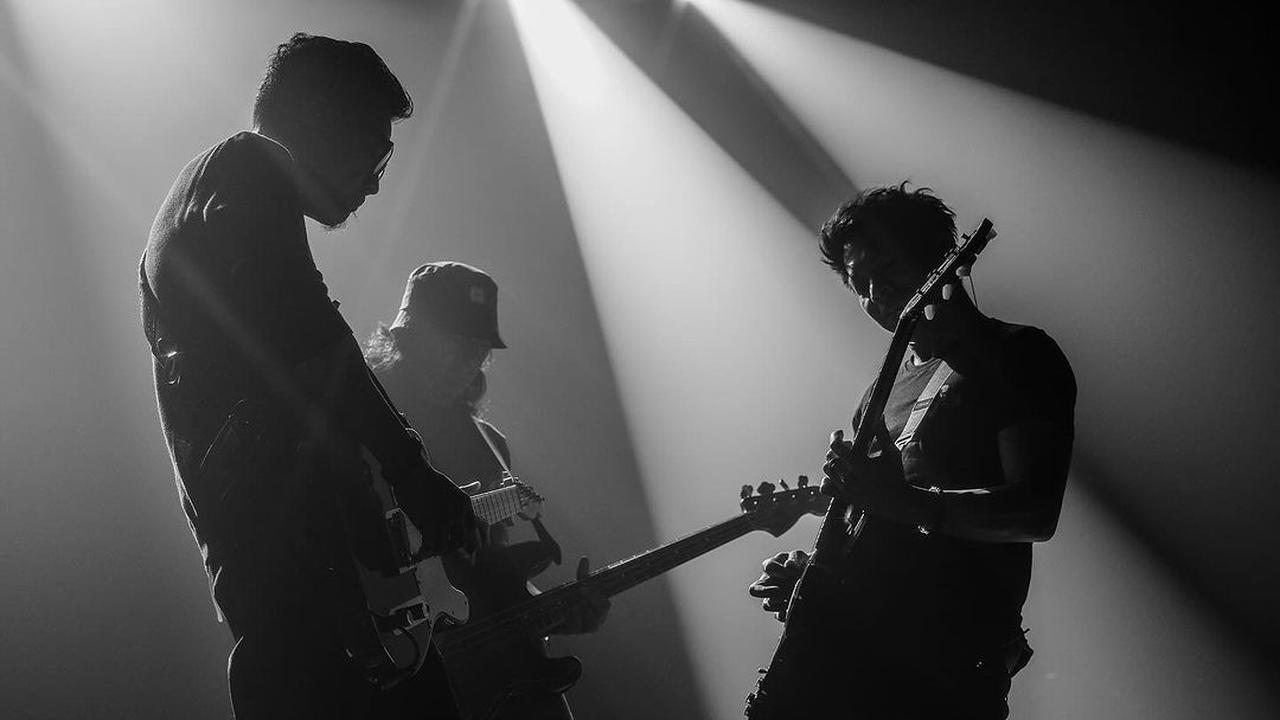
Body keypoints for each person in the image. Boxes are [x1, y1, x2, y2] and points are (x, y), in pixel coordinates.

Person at [140, 34, 484, 719]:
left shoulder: (210, 192)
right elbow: (314, 336)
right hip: (303, 589)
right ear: (324, 122)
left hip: (312, 585)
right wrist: (412, 473)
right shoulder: (250, 166)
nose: (376, 179)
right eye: (374, 151)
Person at [748, 183, 1075, 718]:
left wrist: (906, 503)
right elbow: (876, 535)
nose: (877, 293)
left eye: (887, 267)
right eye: (860, 283)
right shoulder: (878, 398)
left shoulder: (1017, 353)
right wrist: (812, 579)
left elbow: (1034, 512)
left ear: (943, 259)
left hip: (945, 676)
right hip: (850, 672)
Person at [366, 261, 610, 720]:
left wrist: (558, 610)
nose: (469, 363)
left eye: (480, 350)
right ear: (410, 340)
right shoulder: (366, 425)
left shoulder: (490, 445)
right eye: (456, 345)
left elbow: (489, 573)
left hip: (488, 669)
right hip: (398, 664)